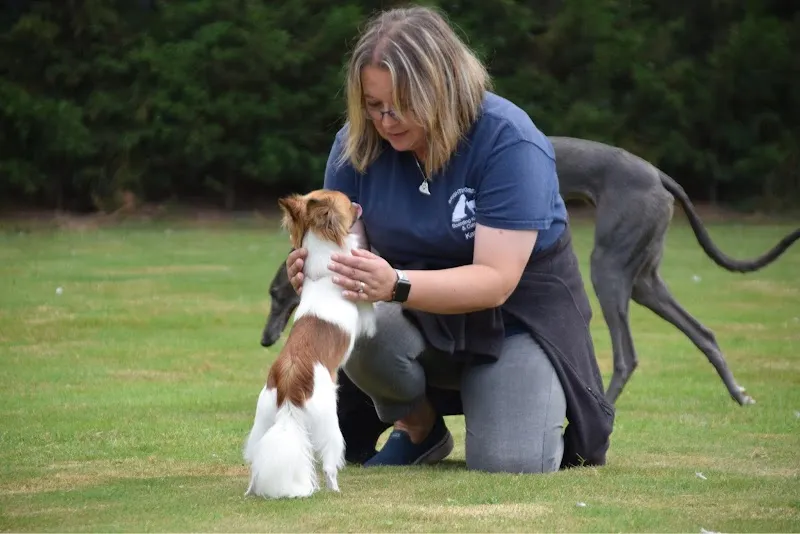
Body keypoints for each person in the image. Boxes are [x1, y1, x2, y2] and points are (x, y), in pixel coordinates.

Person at [285, 5, 615, 473]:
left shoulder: (509, 141)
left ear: (441, 87)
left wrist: (394, 283)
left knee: (511, 463)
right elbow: (347, 241)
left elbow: (496, 281)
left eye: (400, 104)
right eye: (373, 105)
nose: (385, 120)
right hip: (416, 316)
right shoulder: (356, 143)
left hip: (514, 318)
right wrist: (319, 267)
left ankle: (524, 400)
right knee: (354, 327)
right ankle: (418, 428)